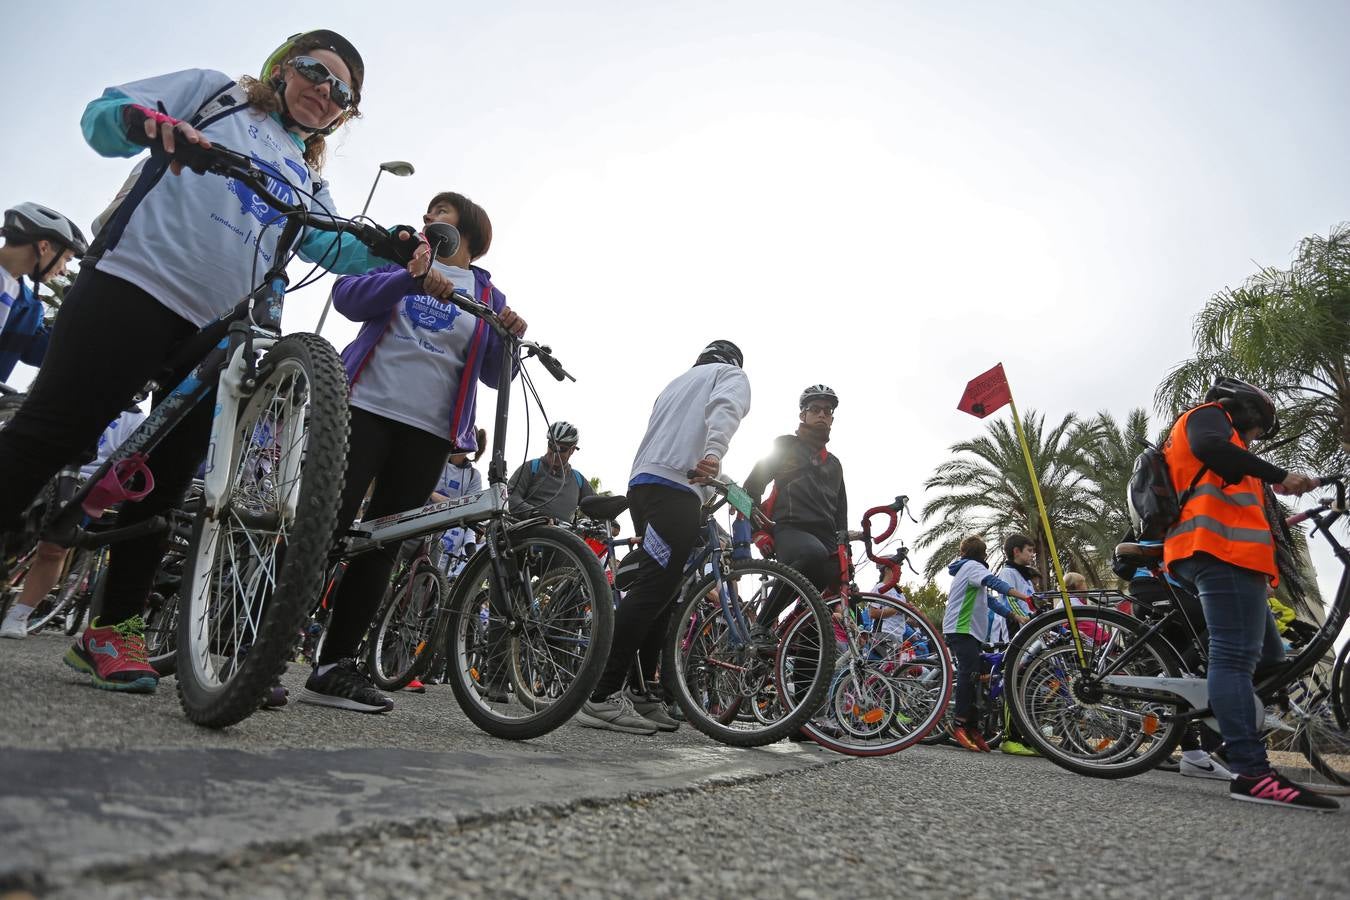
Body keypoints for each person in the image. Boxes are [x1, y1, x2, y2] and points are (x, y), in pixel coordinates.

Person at [0, 30, 414, 694]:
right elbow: (101, 120)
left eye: (343, 93)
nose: (325, 92)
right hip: (135, 281)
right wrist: (144, 123)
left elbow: (336, 249)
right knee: (55, 432)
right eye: (315, 71)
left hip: (219, 331)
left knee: (163, 484)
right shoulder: (215, 94)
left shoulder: (308, 175)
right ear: (281, 68)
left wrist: (397, 250)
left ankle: (113, 631)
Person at [302, 191, 525, 713]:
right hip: (364, 408)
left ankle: (335, 665)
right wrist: (410, 276)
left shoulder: (488, 294)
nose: (428, 220)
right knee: (323, 527)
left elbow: (494, 375)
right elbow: (348, 298)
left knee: (381, 544)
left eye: (439, 214)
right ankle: (252, 646)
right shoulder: (403, 259)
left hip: (429, 432)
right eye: (427, 215)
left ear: (468, 230)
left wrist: (508, 337)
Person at [1162, 377, 1335, 810]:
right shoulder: (1207, 419)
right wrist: (1280, 475)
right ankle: (1252, 772)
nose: (1254, 440)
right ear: (1246, 410)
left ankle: (1228, 731)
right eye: (1257, 431)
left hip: (1236, 560)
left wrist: (1277, 486)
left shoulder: (1232, 447)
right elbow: (1213, 450)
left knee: (1271, 662)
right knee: (1234, 659)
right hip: (1218, 552)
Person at [577, 340, 751, 735]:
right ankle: (600, 696)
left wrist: (723, 481)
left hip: (646, 486)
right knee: (656, 590)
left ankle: (641, 692)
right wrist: (715, 454)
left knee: (664, 593)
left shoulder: (677, 383)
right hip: (676, 491)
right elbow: (725, 411)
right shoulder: (731, 375)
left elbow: (673, 441)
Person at [0, 406, 145, 640]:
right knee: (13, 527)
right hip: (48, 466)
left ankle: (20, 613)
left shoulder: (136, 420)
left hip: (88, 484)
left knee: (54, 548)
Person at [743, 385, 852, 593]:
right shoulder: (785, 446)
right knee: (813, 555)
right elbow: (752, 488)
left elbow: (841, 516)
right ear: (803, 415)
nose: (821, 414)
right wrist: (757, 533)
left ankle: (801, 625)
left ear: (831, 418)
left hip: (826, 537)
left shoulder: (835, 464)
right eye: (814, 409)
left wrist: (847, 554)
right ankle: (762, 624)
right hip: (792, 530)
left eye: (827, 411)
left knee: (836, 578)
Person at [942, 534, 1033, 752]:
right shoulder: (974, 567)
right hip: (961, 629)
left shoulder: (969, 569)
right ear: (983, 555)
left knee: (980, 675)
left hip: (969, 632)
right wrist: (1024, 597)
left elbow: (989, 600)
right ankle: (960, 723)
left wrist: (1015, 616)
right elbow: (995, 584)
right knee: (969, 673)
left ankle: (974, 727)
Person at [0, 204, 87, 380]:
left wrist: (80, 313)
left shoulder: (30, 310)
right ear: (44, 247)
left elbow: (54, 353)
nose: (64, 271)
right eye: (66, 259)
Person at [994, 534, 1040, 756]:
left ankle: (1025, 736)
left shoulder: (1025, 577)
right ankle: (1009, 737)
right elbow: (1010, 599)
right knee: (1013, 681)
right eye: (1029, 550)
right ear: (1016, 551)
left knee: (1025, 683)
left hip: (1029, 632)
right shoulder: (1008, 573)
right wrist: (1025, 620)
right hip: (1014, 631)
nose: (1032, 555)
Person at [506, 421, 594, 522]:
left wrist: (612, 522)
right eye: (551, 445)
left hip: (564, 535)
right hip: (529, 531)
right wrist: (533, 513)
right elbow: (510, 497)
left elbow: (597, 505)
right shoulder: (531, 467)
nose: (555, 452)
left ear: (572, 450)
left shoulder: (578, 480)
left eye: (562, 449)